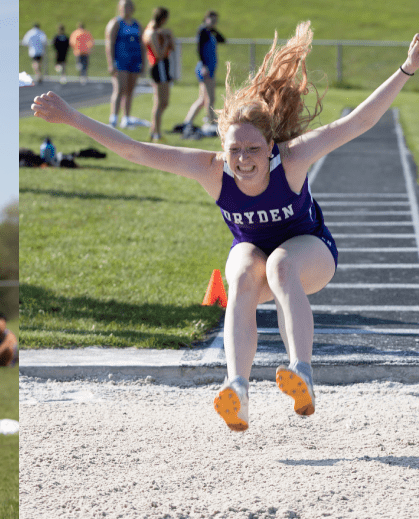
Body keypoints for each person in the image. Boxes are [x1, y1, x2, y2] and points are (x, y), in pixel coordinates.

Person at [32, 23, 419, 432]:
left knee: (281, 265)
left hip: (310, 252)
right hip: (253, 250)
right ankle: (237, 389)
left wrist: (408, 69)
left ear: (271, 147)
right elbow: (135, 150)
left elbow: (357, 123)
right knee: (240, 271)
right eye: (235, 150)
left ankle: (301, 372)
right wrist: (72, 117)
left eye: (253, 149)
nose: (244, 160)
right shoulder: (211, 170)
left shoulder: (292, 158)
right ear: (223, 148)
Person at [177, 10, 225, 139]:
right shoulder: (202, 30)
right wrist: (204, 66)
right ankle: (211, 121)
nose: (214, 22)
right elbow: (199, 48)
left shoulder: (210, 32)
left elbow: (222, 39)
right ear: (206, 18)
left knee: (203, 99)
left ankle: (188, 121)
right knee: (210, 98)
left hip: (210, 67)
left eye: (216, 20)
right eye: (212, 20)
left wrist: (214, 29)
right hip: (205, 68)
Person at [106, 0, 147, 129]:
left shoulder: (137, 24)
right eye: (124, 6)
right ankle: (113, 118)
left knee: (130, 90)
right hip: (120, 61)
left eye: (129, 6)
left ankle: (126, 118)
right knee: (120, 89)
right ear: (120, 8)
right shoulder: (116, 23)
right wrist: (111, 63)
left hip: (134, 61)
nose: (126, 9)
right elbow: (109, 43)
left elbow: (142, 45)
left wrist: (143, 64)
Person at [142, 7, 175, 142]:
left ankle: (153, 131)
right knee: (160, 101)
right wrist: (166, 40)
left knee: (163, 102)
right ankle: (157, 134)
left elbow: (172, 47)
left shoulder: (158, 31)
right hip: (158, 66)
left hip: (163, 66)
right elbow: (159, 54)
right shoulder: (152, 33)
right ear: (163, 18)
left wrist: (169, 37)